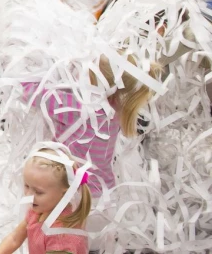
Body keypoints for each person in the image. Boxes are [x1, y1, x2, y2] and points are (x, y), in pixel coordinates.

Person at [24, 54, 159, 198]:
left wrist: (27, 72)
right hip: (103, 192)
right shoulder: (116, 109)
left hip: (74, 194)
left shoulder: (80, 109)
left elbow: (32, 94)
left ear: (94, 81)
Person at [0, 147, 91, 254]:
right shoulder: (38, 211)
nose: (29, 195)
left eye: (38, 192)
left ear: (64, 192)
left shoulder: (61, 236)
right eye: (27, 186)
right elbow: (14, 238)